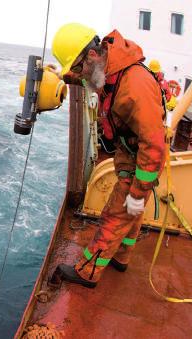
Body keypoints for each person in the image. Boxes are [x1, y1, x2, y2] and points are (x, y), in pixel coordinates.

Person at [49, 23, 166, 288]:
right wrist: (61, 75)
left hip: (143, 158)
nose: (80, 75)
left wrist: (138, 191)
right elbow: (87, 79)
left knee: (115, 215)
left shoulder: (134, 85)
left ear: (91, 57)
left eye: (77, 67)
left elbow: (154, 145)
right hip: (130, 151)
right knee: (130, 215)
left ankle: (88, 271)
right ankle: (121, 257)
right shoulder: (109, 70)